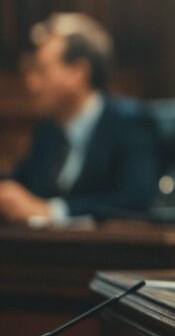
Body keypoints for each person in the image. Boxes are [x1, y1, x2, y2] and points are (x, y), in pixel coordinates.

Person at [0, 13, 158, 225]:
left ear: (79, 72)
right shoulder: (48, 130)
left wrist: (53, 211)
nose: (32, 84)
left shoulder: (130, 123)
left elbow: (136, 200)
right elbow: (21, 184)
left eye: (42, 71)